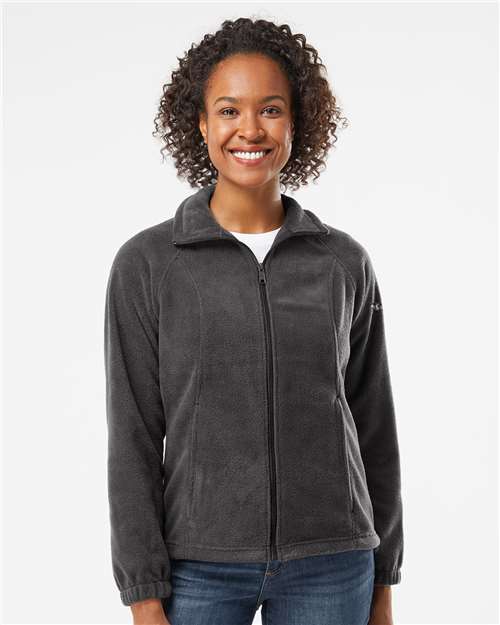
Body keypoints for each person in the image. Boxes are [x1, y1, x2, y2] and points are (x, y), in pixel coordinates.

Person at [104, 17, 404, 625]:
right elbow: (132, 436)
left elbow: (374, 424)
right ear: (201, 123)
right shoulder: (149, 264)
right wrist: (143, 592)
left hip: (333, 561)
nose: (249, 129)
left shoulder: (342, 262)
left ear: (296, 122)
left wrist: (384, 579)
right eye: (228, 110)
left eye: (270, 109)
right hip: (197, 567)